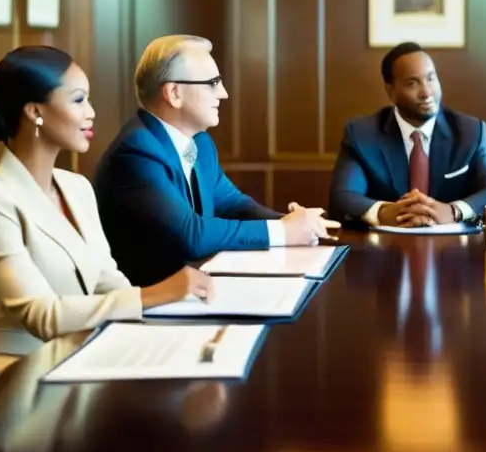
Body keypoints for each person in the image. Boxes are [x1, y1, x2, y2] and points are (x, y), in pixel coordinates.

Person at [0, 46, 213, 356]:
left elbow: (108, 282)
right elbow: (42, 316)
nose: (91, 112)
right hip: (12, 374)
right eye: (79, 100)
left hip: (82, 355)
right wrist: (155, 294)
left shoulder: (77, 187)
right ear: (35, 112)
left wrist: (171, 320)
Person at [94, 35, 337, 286]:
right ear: (174, 92)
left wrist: (293, 223)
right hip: (148, 305)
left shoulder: (200, 143)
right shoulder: (135, 152)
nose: (223, 94)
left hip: (196, 290)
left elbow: (232, 203)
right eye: (212, 83)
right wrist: (283, 232)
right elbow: (192, 235)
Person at [329, 42, 486, 228]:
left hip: (452, 248)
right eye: (413, 83)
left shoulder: (469, 132)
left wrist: (453, 211)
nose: (427, 92)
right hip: (382, 248)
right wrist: (383, 212)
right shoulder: (362, 134)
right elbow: (342, 197)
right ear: (391, 91)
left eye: (431, 79)